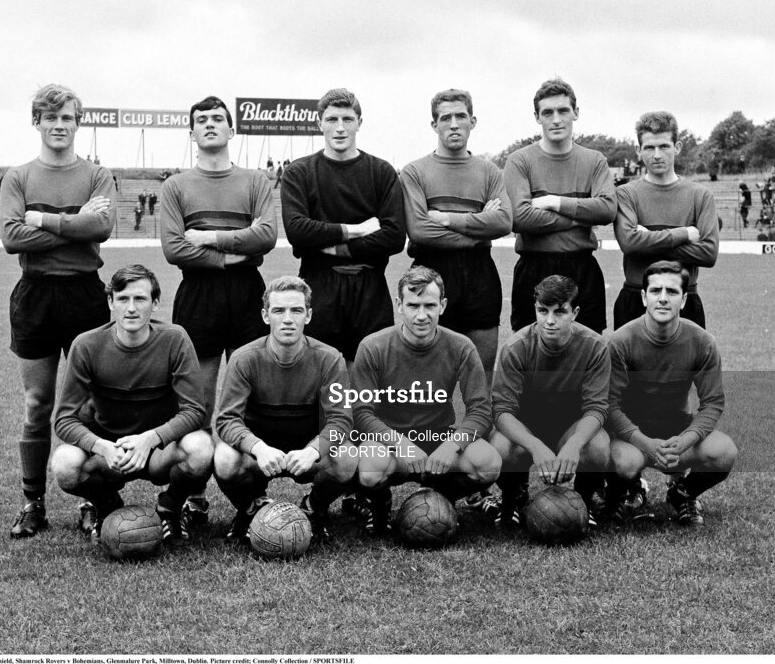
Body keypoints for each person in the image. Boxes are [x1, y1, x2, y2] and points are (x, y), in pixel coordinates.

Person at [0, 83, 116, 538]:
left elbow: (101, 227)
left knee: (89, 403)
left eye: (67, 117)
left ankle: (92, 499)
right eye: (51, 117)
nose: (59, 125)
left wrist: (44, 220)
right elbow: (12, 238)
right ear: (37, 122)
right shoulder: (19, 177)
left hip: (84, 294)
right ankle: (33, 504)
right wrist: (75, 224)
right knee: (37, 403)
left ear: (77, 123)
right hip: (35, 295)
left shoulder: (96, 174)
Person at [51, 265, 215, 541]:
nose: (131, 308)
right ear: (110, 302)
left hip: (159, 450)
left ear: (155, 303)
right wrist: (102, 447)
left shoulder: (175, 339)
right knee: (64, 464)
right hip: (111, 453)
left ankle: (170, 507)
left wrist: (150, 439)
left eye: (140, 299)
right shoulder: (86, 345)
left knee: (201, 448)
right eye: (123, 299)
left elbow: (195, 410)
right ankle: (106, 504)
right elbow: (64, 419)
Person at [160, 95, 277, 444]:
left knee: (251, 396)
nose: (209, 124)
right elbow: (174, 248)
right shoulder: (176, 185)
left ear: (231, 130)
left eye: (217, 118)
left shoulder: (255, 181)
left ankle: (245, 475)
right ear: (192, 133)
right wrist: (232, 254)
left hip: (247, 291)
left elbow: (267, 236)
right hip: (198, 292)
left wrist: (209, 237)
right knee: (198, 401)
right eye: (201, 120)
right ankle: (197, 475)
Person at [352, 266, 501, 534]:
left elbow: (481, 410)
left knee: (488, 464)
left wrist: (452, 445)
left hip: (438, 437)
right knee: (371, 470)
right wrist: (401, 444)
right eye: (413, 305)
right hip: (391, 442)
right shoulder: (373, 346)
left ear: (442, 305)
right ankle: (380, 504)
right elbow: (361, 413)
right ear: (399, 305)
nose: (421, 315)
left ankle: (442, 496)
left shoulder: (461, 346)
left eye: (430, 305)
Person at [214, 276, 358, 544]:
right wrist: (258, 448)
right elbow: (226, 420)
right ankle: (251, 509)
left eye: (297, 310)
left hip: (306, 451)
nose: (288, 319)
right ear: (265, 315)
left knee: (347, 456)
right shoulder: (244, 358)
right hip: (261, 454)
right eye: (279, 311)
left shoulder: (329, 359)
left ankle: (314, 508)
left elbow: (341, 420)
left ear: (309, 315)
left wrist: (313, 450)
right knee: (224, 458)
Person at [605, 261, 737, 525]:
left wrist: (686, 439)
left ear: (684, 299)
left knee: (724, 452)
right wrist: (645, 443)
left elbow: (712, 403)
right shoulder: (620, 341)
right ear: (644, 297)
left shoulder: (703, 342)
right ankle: (621, 492)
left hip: (677, 432)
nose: (663, 298)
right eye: (655, 291)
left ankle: (682, 494)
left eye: (672, 291)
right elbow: (610, 404)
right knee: (624, 462)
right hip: (632, 437)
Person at [281, 88, 406, 365]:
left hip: (370, 288)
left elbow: (395, 237)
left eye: (347, 119)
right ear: (319, 123)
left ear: (359, 123)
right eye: (332, 119)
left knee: (370, 378)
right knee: (320, 376)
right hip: (318, 286)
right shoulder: (299, 172)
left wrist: (336, 248)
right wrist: (357, 230)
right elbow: (298, 231)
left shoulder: (381, 172)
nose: (340, 127)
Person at [400, 89, 512, 381]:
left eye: (460, 116)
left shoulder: (489, 172)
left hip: (480, 272)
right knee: (428, 377)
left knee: (480, 375)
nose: (453, 124)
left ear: (472, 121)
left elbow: (503, 221)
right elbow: (420, 231)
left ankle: (477, 414)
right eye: (445, 118)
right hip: (430, 270)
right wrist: (479, 229)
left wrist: (449, 219)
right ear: (434, 125)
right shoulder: (414, 171)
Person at [486, 275, 611, 527]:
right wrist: (534, 445)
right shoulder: (516, 347)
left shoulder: (596, 347)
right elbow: (502, 411)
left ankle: (583, 501)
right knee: (499, 447)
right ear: (535, 309)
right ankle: (513, 498)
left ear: (575, 312)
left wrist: (575, 443)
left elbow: (597, 408)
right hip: (528, 428)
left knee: (597, 446)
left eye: (560, 312)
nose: (550, 320)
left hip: (570, 428)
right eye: (543, 311)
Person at [504, 78, 616, 335]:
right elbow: (519, 218)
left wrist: (555, 202)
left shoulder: (594, 161)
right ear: (537, 117)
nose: (556, 119)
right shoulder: (520, 161)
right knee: (531, 350)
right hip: (534, 267)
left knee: (587, 350)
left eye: (563, 111)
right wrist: (579, 218)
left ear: (576, 113)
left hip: (582, 268)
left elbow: (607, 209)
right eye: (548, 113)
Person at [613, 111, 718, 330]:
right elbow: (629, 243)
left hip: (684, 298)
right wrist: (683, 234)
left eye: (664, 146)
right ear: (638, 150)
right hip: (636, 297)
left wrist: (648, 240)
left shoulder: (700, 195)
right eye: (649, 148)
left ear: (677, 147)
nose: (657, 155)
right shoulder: (626, 194)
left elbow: (708, 253)